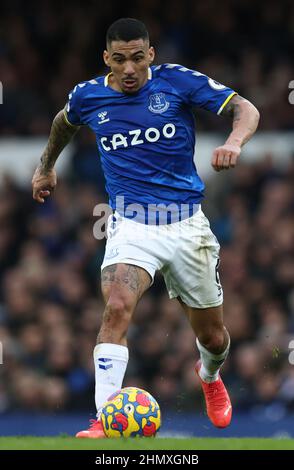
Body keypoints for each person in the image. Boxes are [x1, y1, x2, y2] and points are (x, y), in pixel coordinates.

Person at [32, 18, 260, 438]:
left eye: (138, 58)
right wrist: (45, 167)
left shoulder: (176, 82)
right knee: (116, 305)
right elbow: (63, 122)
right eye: (120, 60)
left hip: (187, 226)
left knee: (213, 337)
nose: (130, 68)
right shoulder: (88, 96)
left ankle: (209, 376)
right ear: (107, 59)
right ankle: (104, 418)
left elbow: (246, 108)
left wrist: (234, 142)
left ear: (151, 55)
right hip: (131, 225)